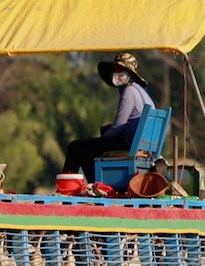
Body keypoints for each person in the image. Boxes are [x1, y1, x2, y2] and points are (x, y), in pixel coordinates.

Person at [61, 52, 156, 180]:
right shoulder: (140, 91)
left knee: (76, 147)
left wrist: (104, 136)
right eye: (116, 70)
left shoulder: (129, 91)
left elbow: (118, 126)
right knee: (87, 149)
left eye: (121, 70)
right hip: (139, 143)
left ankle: (70, 188)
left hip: (131, 144)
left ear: (130, 74)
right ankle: (94, 184)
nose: (117, 73)